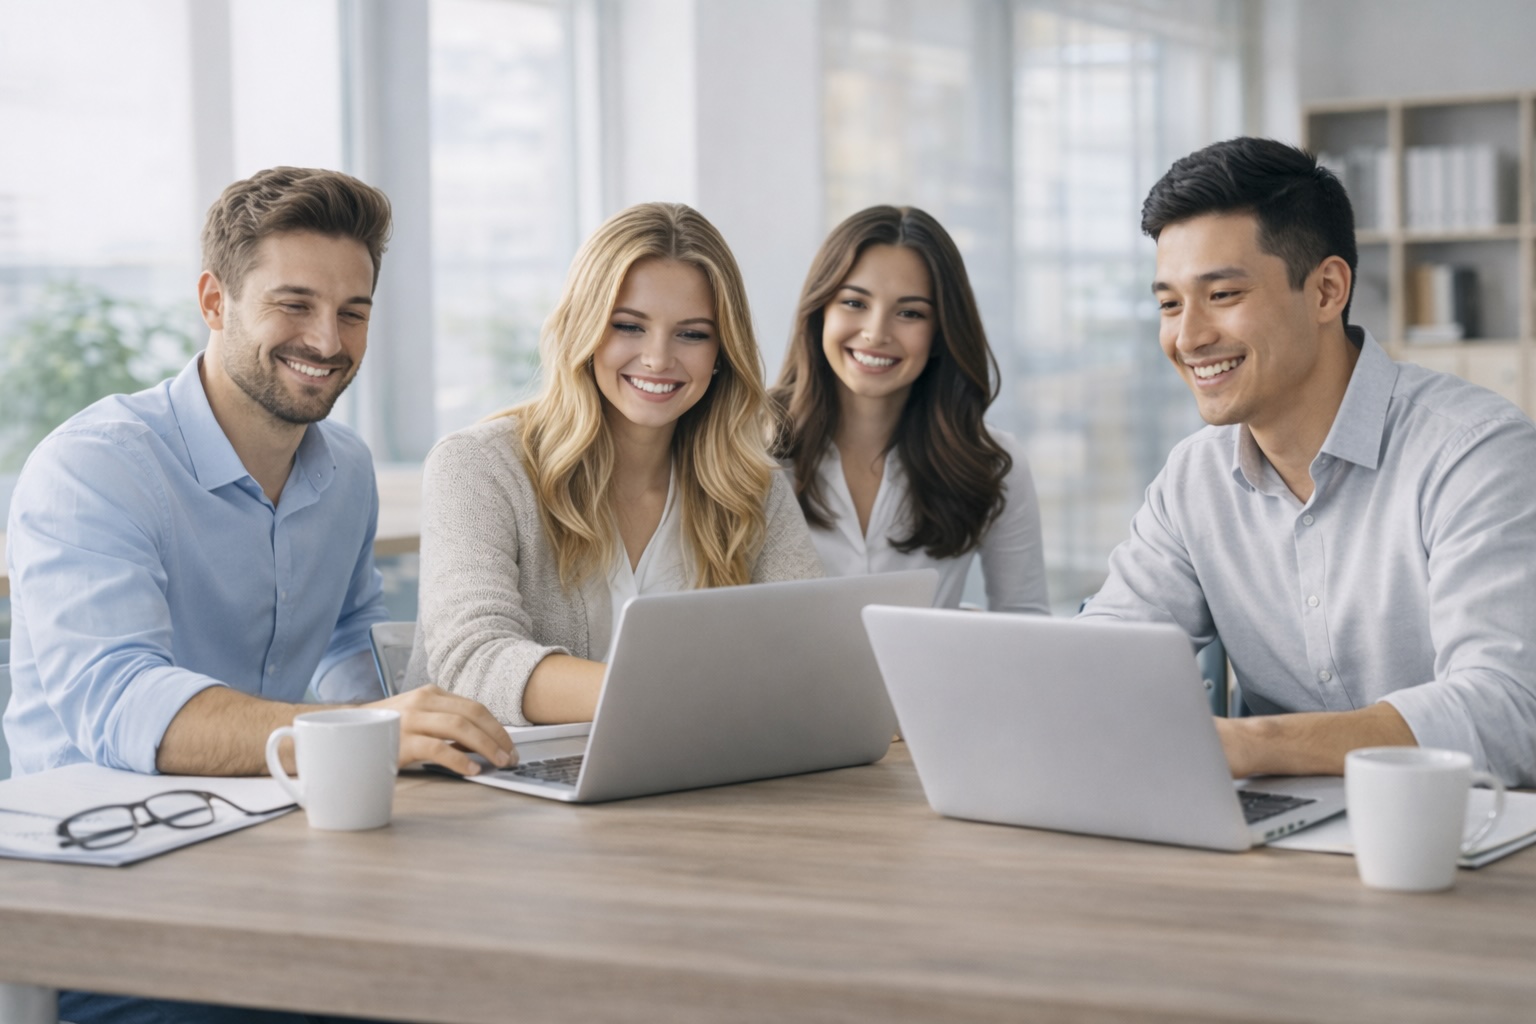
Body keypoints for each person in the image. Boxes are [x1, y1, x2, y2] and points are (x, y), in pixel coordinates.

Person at [3, 167, 515, 785]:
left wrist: (421, 730)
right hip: (98, 836)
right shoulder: (93, 467)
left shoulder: (346, 468)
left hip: (265, 810)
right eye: (294, 304)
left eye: (352, 313)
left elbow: (350, 633)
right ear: (215, 302)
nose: (328, 341)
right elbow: (119, 700)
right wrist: (365, 733)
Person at [1079, 137, 1536, 787]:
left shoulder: (1475, 454)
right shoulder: (1193, 480)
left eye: (1223, 294)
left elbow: (1508, 712)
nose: (1187, 337)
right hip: (1275, 845)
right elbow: (1102, 664)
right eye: (1170, 303)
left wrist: (1256, 742)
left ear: (1326, 290)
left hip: (1459, 842)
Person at [406, 202, 823, 724]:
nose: (657, 358)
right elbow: (475, 661)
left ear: (722, 352)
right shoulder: (477, 467)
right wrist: (677, 697)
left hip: (688, 780)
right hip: (497, 786)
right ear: (585, 328)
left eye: (692, 334)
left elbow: (810, 651)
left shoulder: (750, 487)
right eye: (629, 326)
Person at [770, 206, 1048, 613]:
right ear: (819, 313)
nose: (876, 333)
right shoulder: (748, 447)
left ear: (940, 333)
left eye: (910, 313)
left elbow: (1026, 624)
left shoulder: (992, 463)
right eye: (854, 303)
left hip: (933, 679)